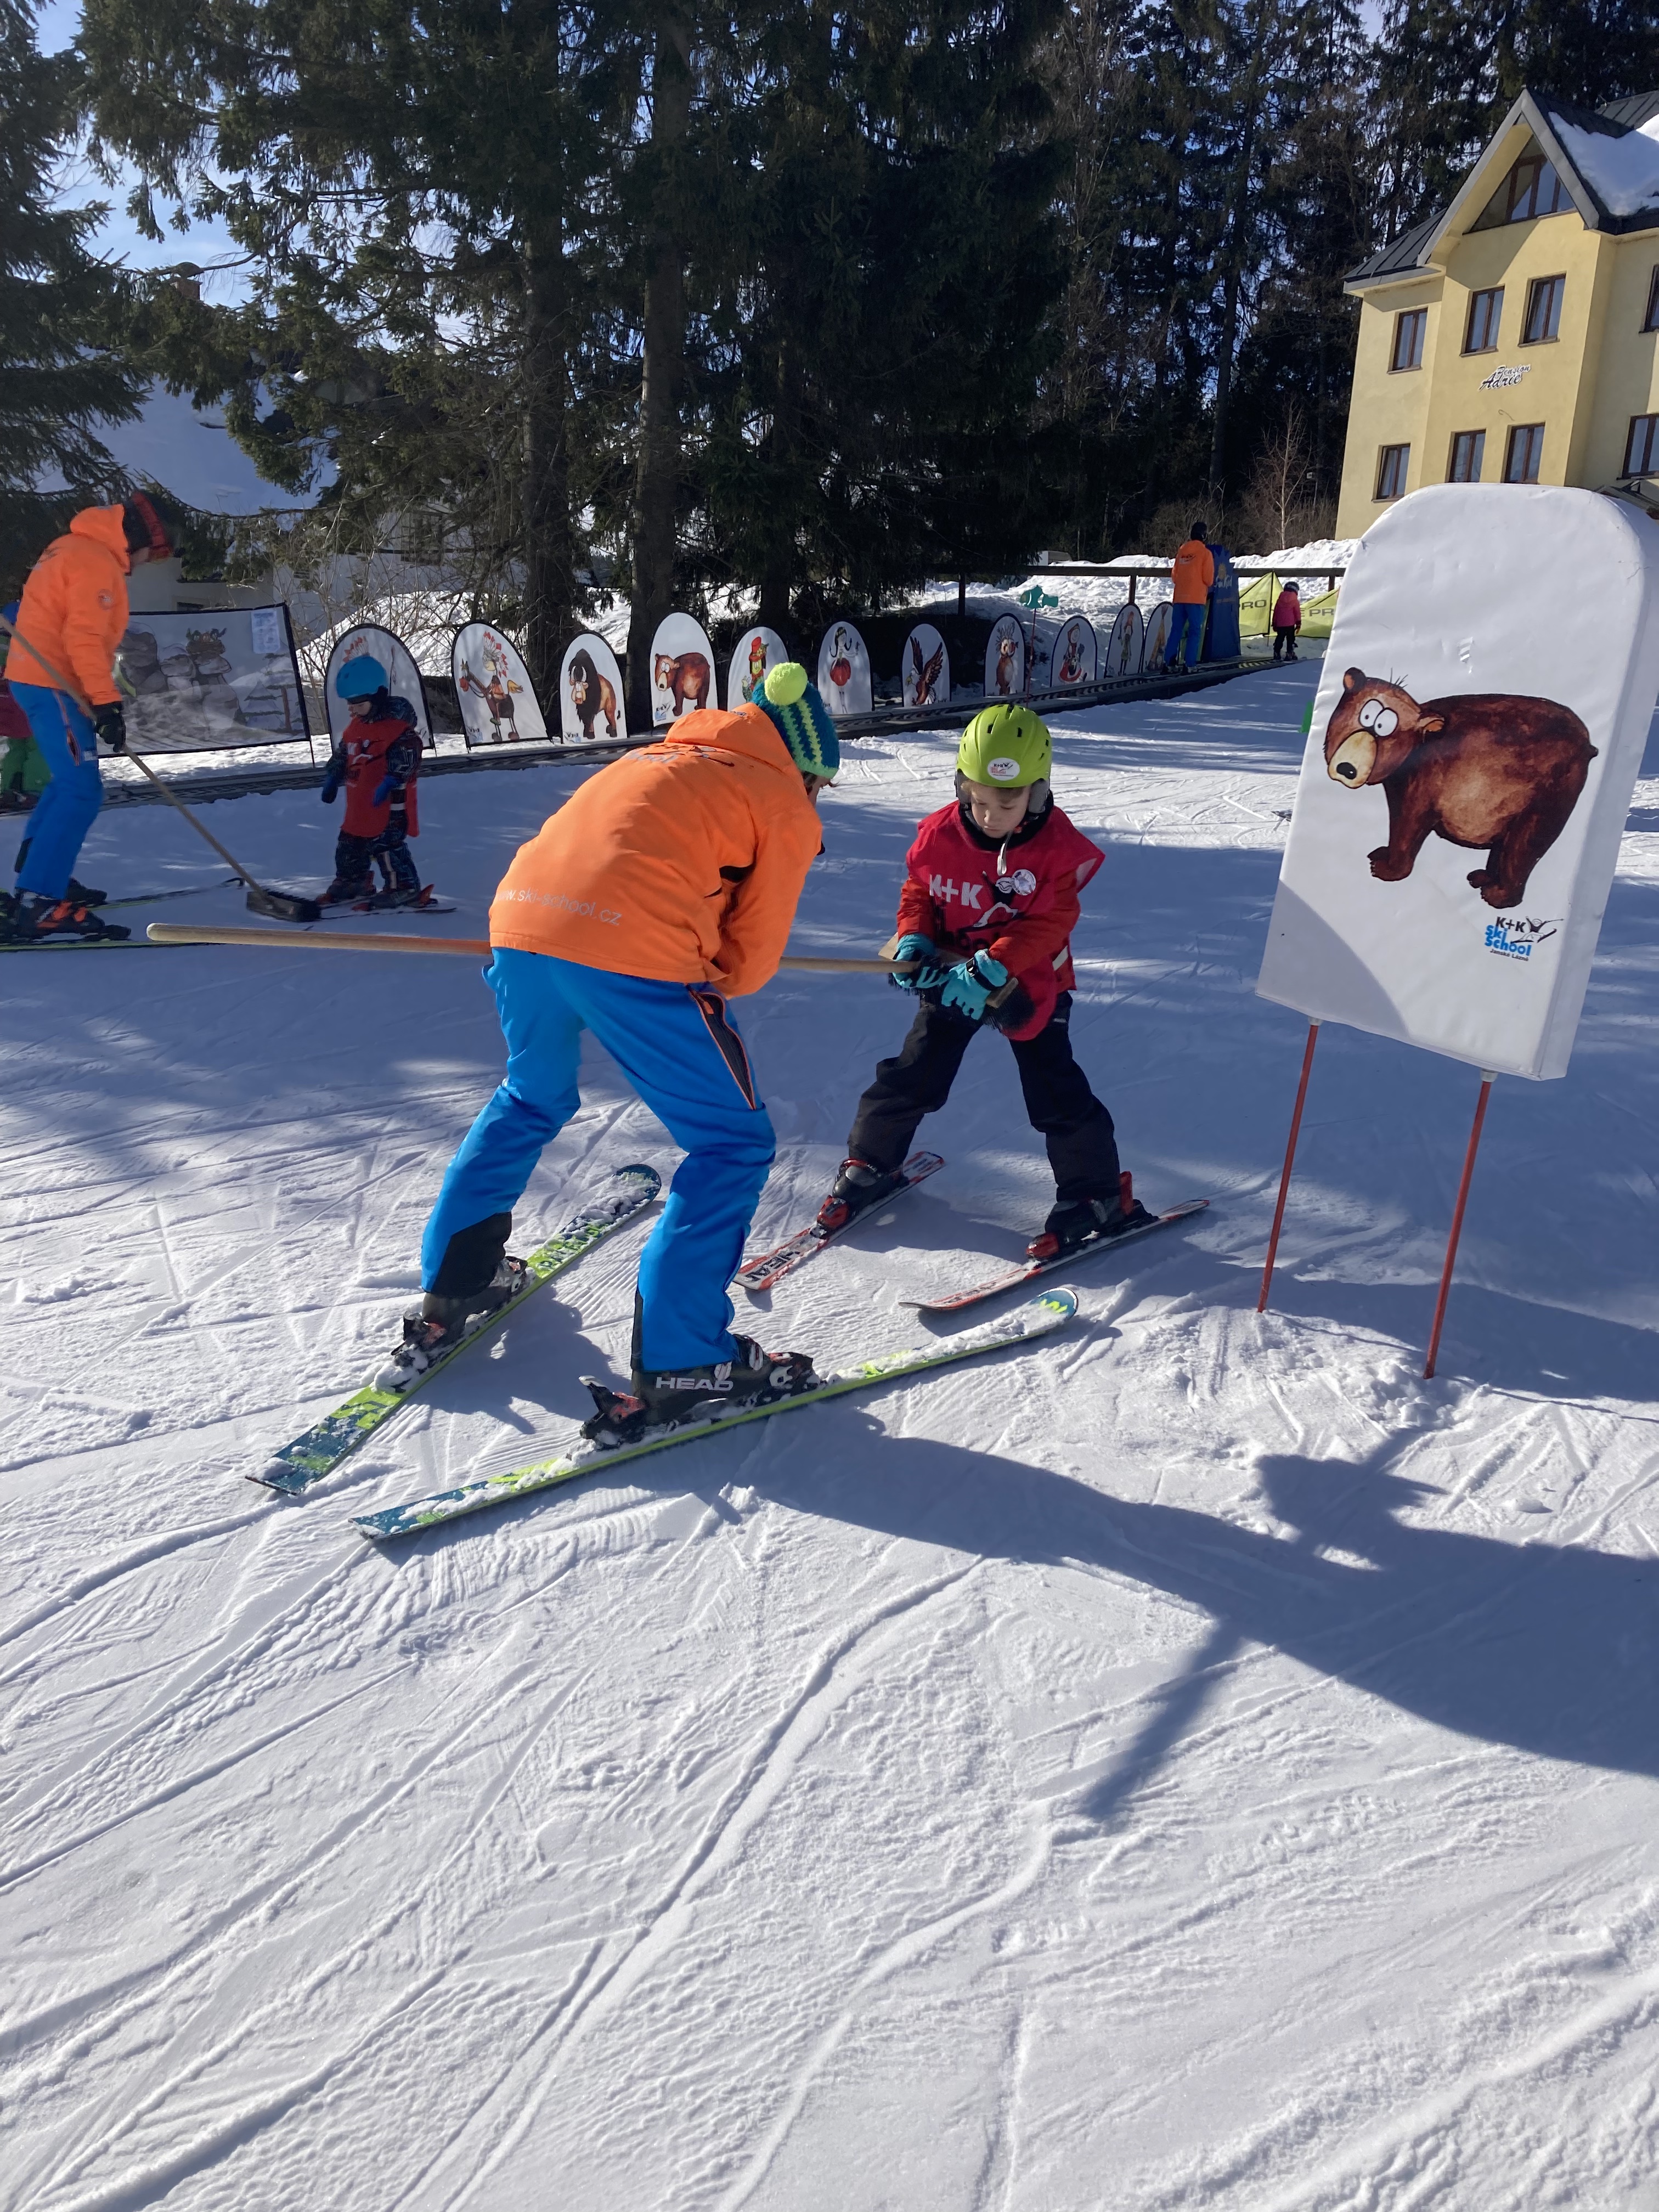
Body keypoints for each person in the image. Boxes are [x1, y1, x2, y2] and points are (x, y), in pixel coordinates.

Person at [380, 660, 836, 1441]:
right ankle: (684, 1357)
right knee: (730, 1142)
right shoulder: (781, 796)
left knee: (531, 1094)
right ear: (810, 769)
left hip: (522, 923)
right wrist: (696, 962)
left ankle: (458, 1280)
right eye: (821, 786)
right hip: (629, 947)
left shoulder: (661, 756)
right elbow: (748, 963)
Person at [817, 703, 1153, 1259]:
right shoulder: (941, 835)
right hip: (952, 974)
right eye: (977, 800)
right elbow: (920, 890)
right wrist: (913, 937)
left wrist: (995, 964)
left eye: (1007, 803)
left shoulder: (1053, 849)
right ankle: (871, 1163)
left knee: (1053, 1091)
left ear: (1037, 794)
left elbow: (1054, 919)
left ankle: (1095, 1194)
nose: (990, 816)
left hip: (1029, 984)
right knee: (914, 1072)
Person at [1, 493, 182, 943]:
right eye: (154, 551)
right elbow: (83, 638)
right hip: (54, 682)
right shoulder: (96, 562)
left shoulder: (70, 546)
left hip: (37, 678)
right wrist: (106, 704)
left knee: (68, 783)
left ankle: (42, 872)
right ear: (141, 536)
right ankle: (38, 899)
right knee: (81, 790)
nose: (147, 562)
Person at [320, 656, 426, 906]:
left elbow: (408, 755)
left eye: (359, 704)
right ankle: (352, 881)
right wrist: (333, 776)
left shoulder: (396, 729)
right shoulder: (355, 727)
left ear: (377, 698)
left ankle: (403, 886)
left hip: (389, 804)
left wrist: (390, 781)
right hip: (359, 804)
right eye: (350, 704)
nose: (353, 710)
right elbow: (344, 754)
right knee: (349, 844)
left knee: (386, 845)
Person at [1166, 524, 1215, 672]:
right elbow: (1208, 580)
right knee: (1194, 632)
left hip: (1179, 598)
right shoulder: (1205, 553)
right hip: (1196, 599)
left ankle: (1168, 663)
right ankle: (1190, 664)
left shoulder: (1182, 551)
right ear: (1204, 536)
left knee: (1176, 630)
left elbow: (1175, 576)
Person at [1271, 579, 1302, 662]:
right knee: (1290, 639)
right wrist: (1298, 624)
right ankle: (1290, 652)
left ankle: (1277, 652)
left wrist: (1274, 623)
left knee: (1280, 638)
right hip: (1290, 624)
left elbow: (1276, 612)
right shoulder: (1295, 600)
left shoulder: (1280, 599)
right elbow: (1297, 613)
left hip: (1280, 624)